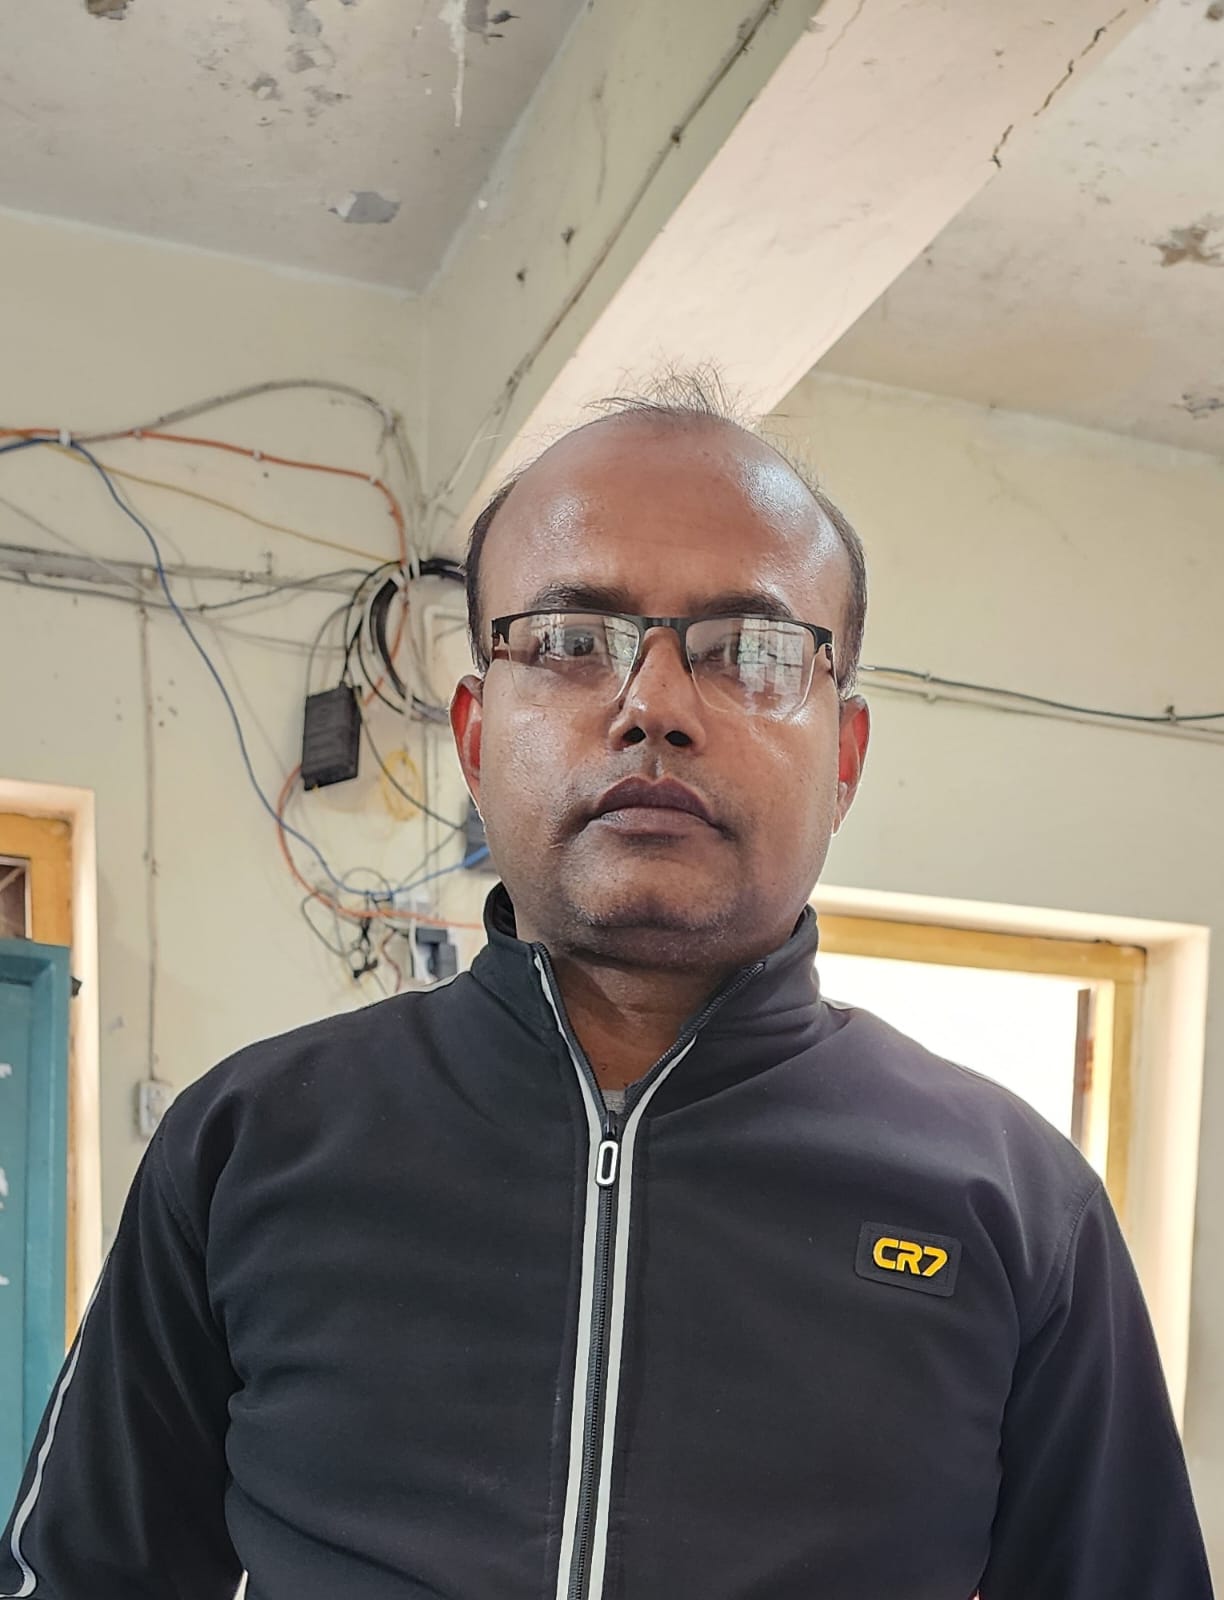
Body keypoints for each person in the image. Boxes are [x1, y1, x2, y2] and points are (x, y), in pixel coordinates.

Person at [2, 379, 1213, 1600]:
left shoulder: (1017, 1206)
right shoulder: (247, 1146)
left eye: (750, 650)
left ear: (844, 756)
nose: (655, 706)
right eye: (573, 641)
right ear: (476, 737)